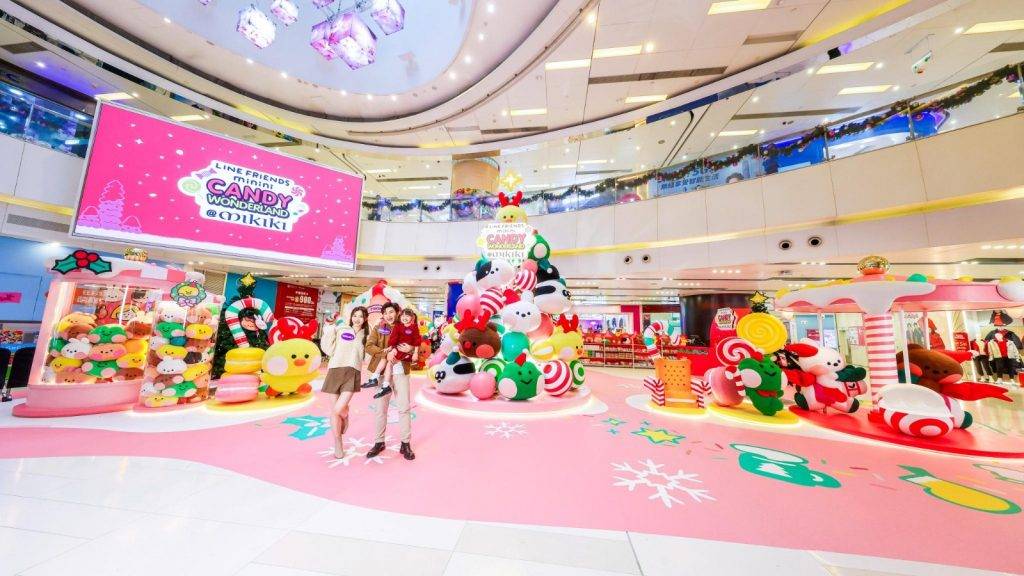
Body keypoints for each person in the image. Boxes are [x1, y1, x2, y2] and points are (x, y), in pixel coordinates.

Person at [364, 302, 416, 460]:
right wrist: (384, 354)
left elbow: (417, 344)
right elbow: (369, 346)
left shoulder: (407, 326)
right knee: (380, 409)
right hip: (382, 374)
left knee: (404, 408)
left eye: (391, 312)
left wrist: (411, 349)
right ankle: (379, 442)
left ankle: (405, 444)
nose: (388, 315)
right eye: (385, 313)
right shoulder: (379, 327)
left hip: (401, 371)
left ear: (398, 312)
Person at [319, 306, 367, 459]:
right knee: (334, 410)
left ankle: (344, 413)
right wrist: (329, 328)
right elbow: (328, 348)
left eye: (361, 316)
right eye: (355, 315)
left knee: (337, 410)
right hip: (335, 370)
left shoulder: (366, 335)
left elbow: (368, 356)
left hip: (352, 372)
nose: (357, 319)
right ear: (351, 317)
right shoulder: (341, 329)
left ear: (365, 319)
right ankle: (338, 443)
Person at [370, 308, 422, 399]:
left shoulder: (414, 327)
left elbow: (417, 341)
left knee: (403, 402)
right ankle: (383, 383)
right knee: (388, 363)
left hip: (403, 364)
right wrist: (390, 349)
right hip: (396, 351)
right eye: (403, 316)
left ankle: (382, 383)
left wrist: (413, 351)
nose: (404, 318)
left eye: (407, 316)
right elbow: (394, 339)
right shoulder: (393, 327)